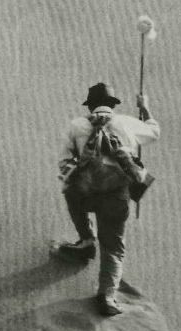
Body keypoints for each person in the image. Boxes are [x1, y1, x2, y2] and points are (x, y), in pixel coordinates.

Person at [56, 82, 160, 316]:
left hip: (86, 195)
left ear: (90, 106)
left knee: (70, 192)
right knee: (113, 248)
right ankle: (107, 297)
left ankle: (85, 241)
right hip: (116, 197)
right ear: (113, 105)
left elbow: (64, 164)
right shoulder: (126, 123)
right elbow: (154, 132)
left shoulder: (76, 126)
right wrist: (145, 108)